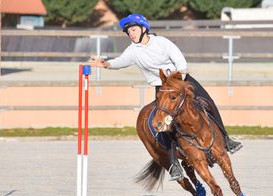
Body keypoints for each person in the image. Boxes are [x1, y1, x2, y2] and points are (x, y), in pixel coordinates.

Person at [91, 13, 243, 180]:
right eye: (129, 32)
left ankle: (227, 140)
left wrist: (180, 82)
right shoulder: (133, 51)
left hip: (180, 80)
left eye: (133, 30)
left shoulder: (162, 42)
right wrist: (105, 64)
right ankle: (173, 162)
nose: (131, 34)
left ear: (143, 29)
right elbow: (120, 61)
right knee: (162, 121)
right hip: (162, 88)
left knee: (208, 102)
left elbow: (180, 61)